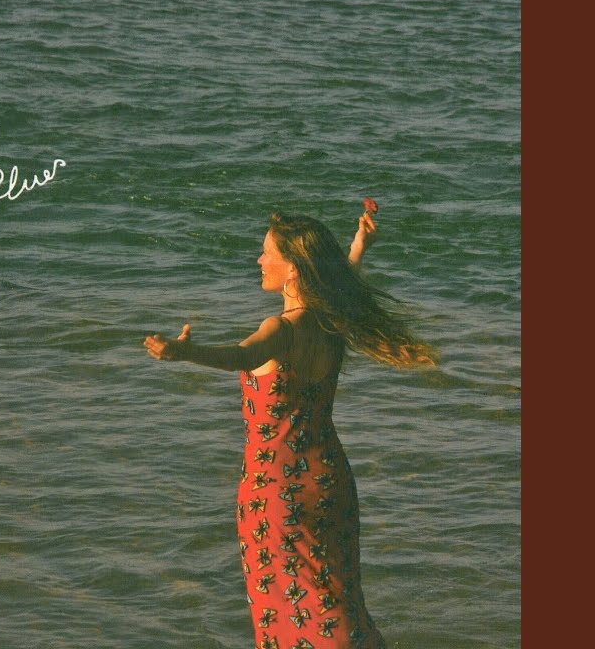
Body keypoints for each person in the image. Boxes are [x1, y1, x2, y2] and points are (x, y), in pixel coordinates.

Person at [144, 209, 435, 649]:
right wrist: (358, 247)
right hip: (328, 480)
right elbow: (340, 280)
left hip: (276, 490)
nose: (259, 261)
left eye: (267, 253)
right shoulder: (330, 318)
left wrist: (187, 353)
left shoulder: (281, 329)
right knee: (333, 597)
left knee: (287, 607)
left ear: (294, 269)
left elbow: (242, 355)